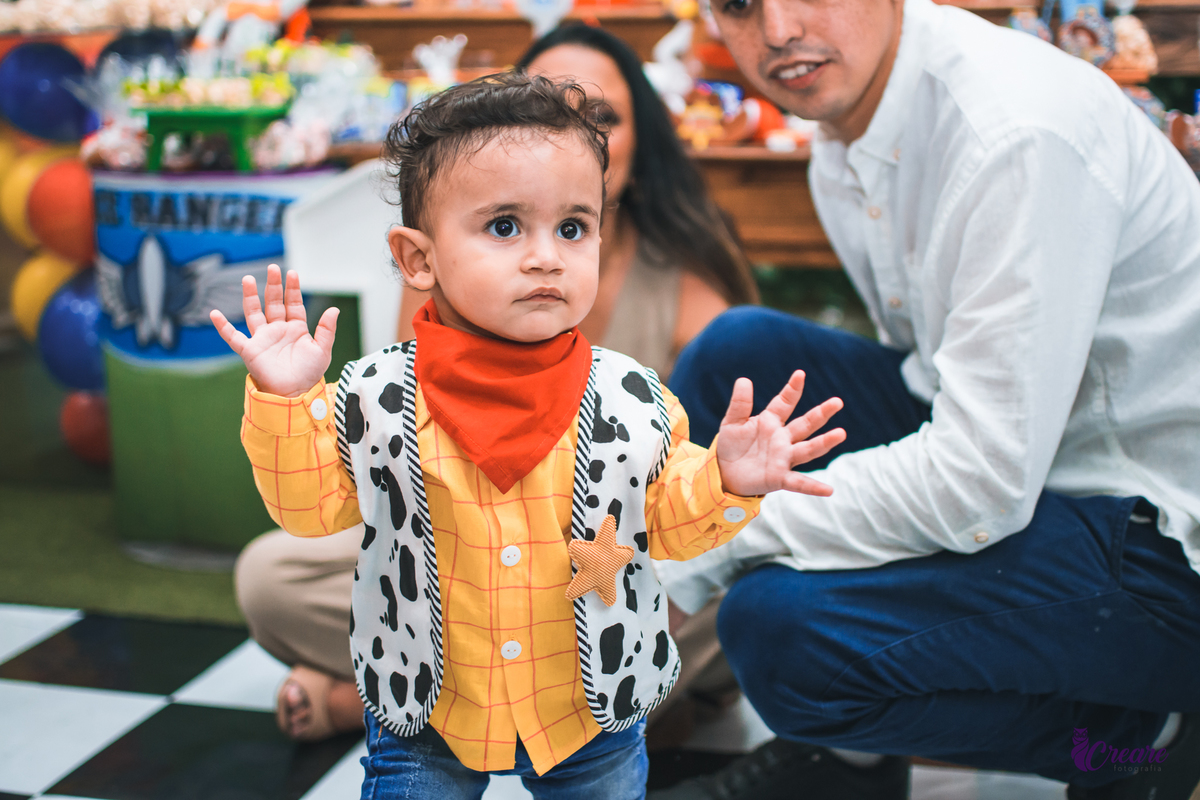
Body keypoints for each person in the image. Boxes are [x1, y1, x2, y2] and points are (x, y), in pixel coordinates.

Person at [212, 73, 846, 798]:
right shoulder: (376, 395)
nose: (547, 255)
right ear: (418, 258)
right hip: (430, 707)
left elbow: (668, 528)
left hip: (587, 708)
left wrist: (726, 481)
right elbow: (309, 511)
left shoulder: (631, 397)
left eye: (572, 227)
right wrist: (289, 400)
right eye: (505, 226)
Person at [648, 0, 1200, 797]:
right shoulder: (843, 134)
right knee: (739, 356)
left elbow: (980, 482)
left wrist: (706, 539)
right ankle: (848, 763)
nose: (775, 31)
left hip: (1161, 543)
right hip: (1043, 464)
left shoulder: (1012, 131)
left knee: (782, 629)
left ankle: (1139, 741)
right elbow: (942, 382)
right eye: (738, 4)